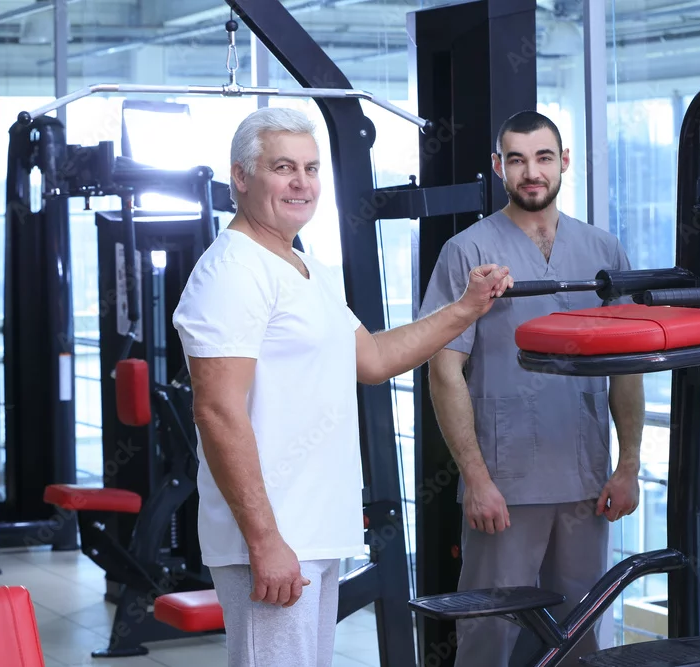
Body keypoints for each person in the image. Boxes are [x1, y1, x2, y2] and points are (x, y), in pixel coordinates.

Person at [171, 106, 516, 667]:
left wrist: (466, 308)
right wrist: (264, 539)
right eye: (283, 167)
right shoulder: (233, 271)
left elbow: (374, 359)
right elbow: (217, 412)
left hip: (313, 533)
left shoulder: (305, 268)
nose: (302, 182)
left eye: (310, 168)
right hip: (275, 536)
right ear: (240, 176)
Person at [419, 110, 646, 667]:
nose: (531, 172)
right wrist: (476, 480)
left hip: (587, 481)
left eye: (543, 157)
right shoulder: (467, 252)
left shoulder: (603, 251)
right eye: (517, 160)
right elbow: (443, 371)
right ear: (499, 167)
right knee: (488, 635)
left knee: (582, 632)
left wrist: (628, 466)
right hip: (505, 484)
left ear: (563, 161)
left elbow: (627, 367)